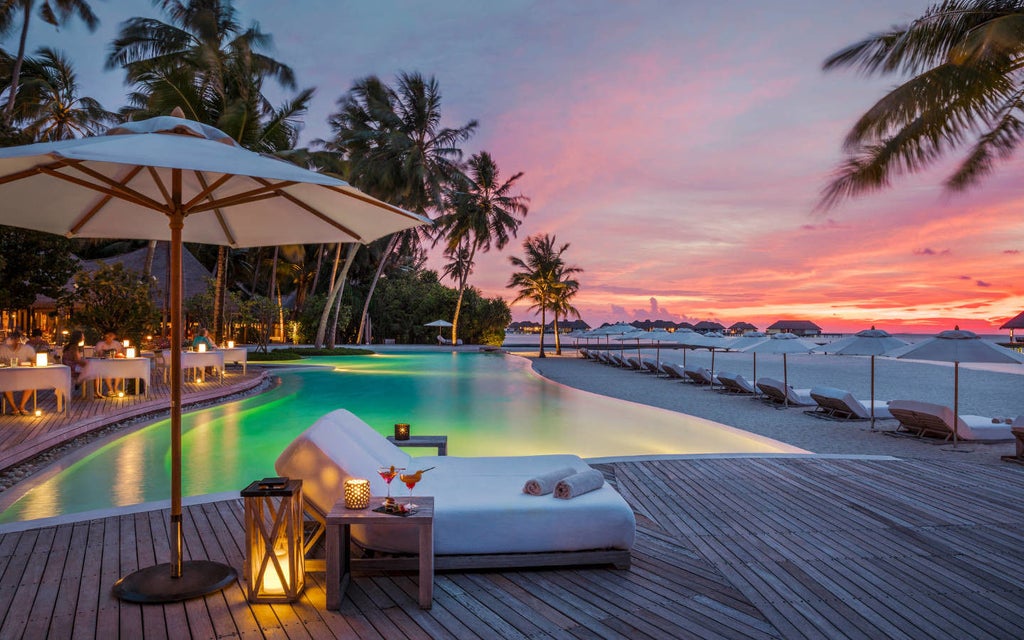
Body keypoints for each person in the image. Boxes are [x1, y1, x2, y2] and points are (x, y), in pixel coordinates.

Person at [0, 331, 37, 415]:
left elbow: (35, 360)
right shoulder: (3, 349)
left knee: (31, 383)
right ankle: (14, 407)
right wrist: (5, 362)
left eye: (17, 340)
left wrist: (26, 363)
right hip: (7, 374)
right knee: (5, 384)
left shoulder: (27, 349)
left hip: (24, 374)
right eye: (13, 341)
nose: (15, 343)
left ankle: (22, 406)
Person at [94, 330, 124, 397]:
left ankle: (115, 388)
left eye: (111, 336)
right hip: (103, 364)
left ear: (114, 336)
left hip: (115, 363)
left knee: (120, 371)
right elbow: (97, 354)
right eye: (108, 336)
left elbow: (121, 353)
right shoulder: (100, 344)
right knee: (108, 372)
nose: (109, 337)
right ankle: (110, 390)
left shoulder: (117, 344)